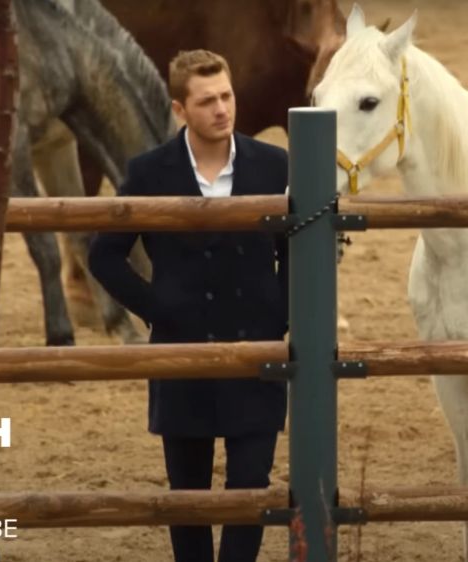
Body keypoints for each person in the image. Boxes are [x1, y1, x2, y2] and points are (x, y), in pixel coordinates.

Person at [88, 49, 289, 562]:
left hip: (256, 350)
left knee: (251, 487)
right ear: (180, 110)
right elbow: (104, 256)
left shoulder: (275, 165)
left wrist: (281, 312)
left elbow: (299, 251)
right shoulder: (150, 172)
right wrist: (158, 309)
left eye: (227, 96)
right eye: (206, 102)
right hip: (181, 354)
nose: (221, 109)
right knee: (188, 495)